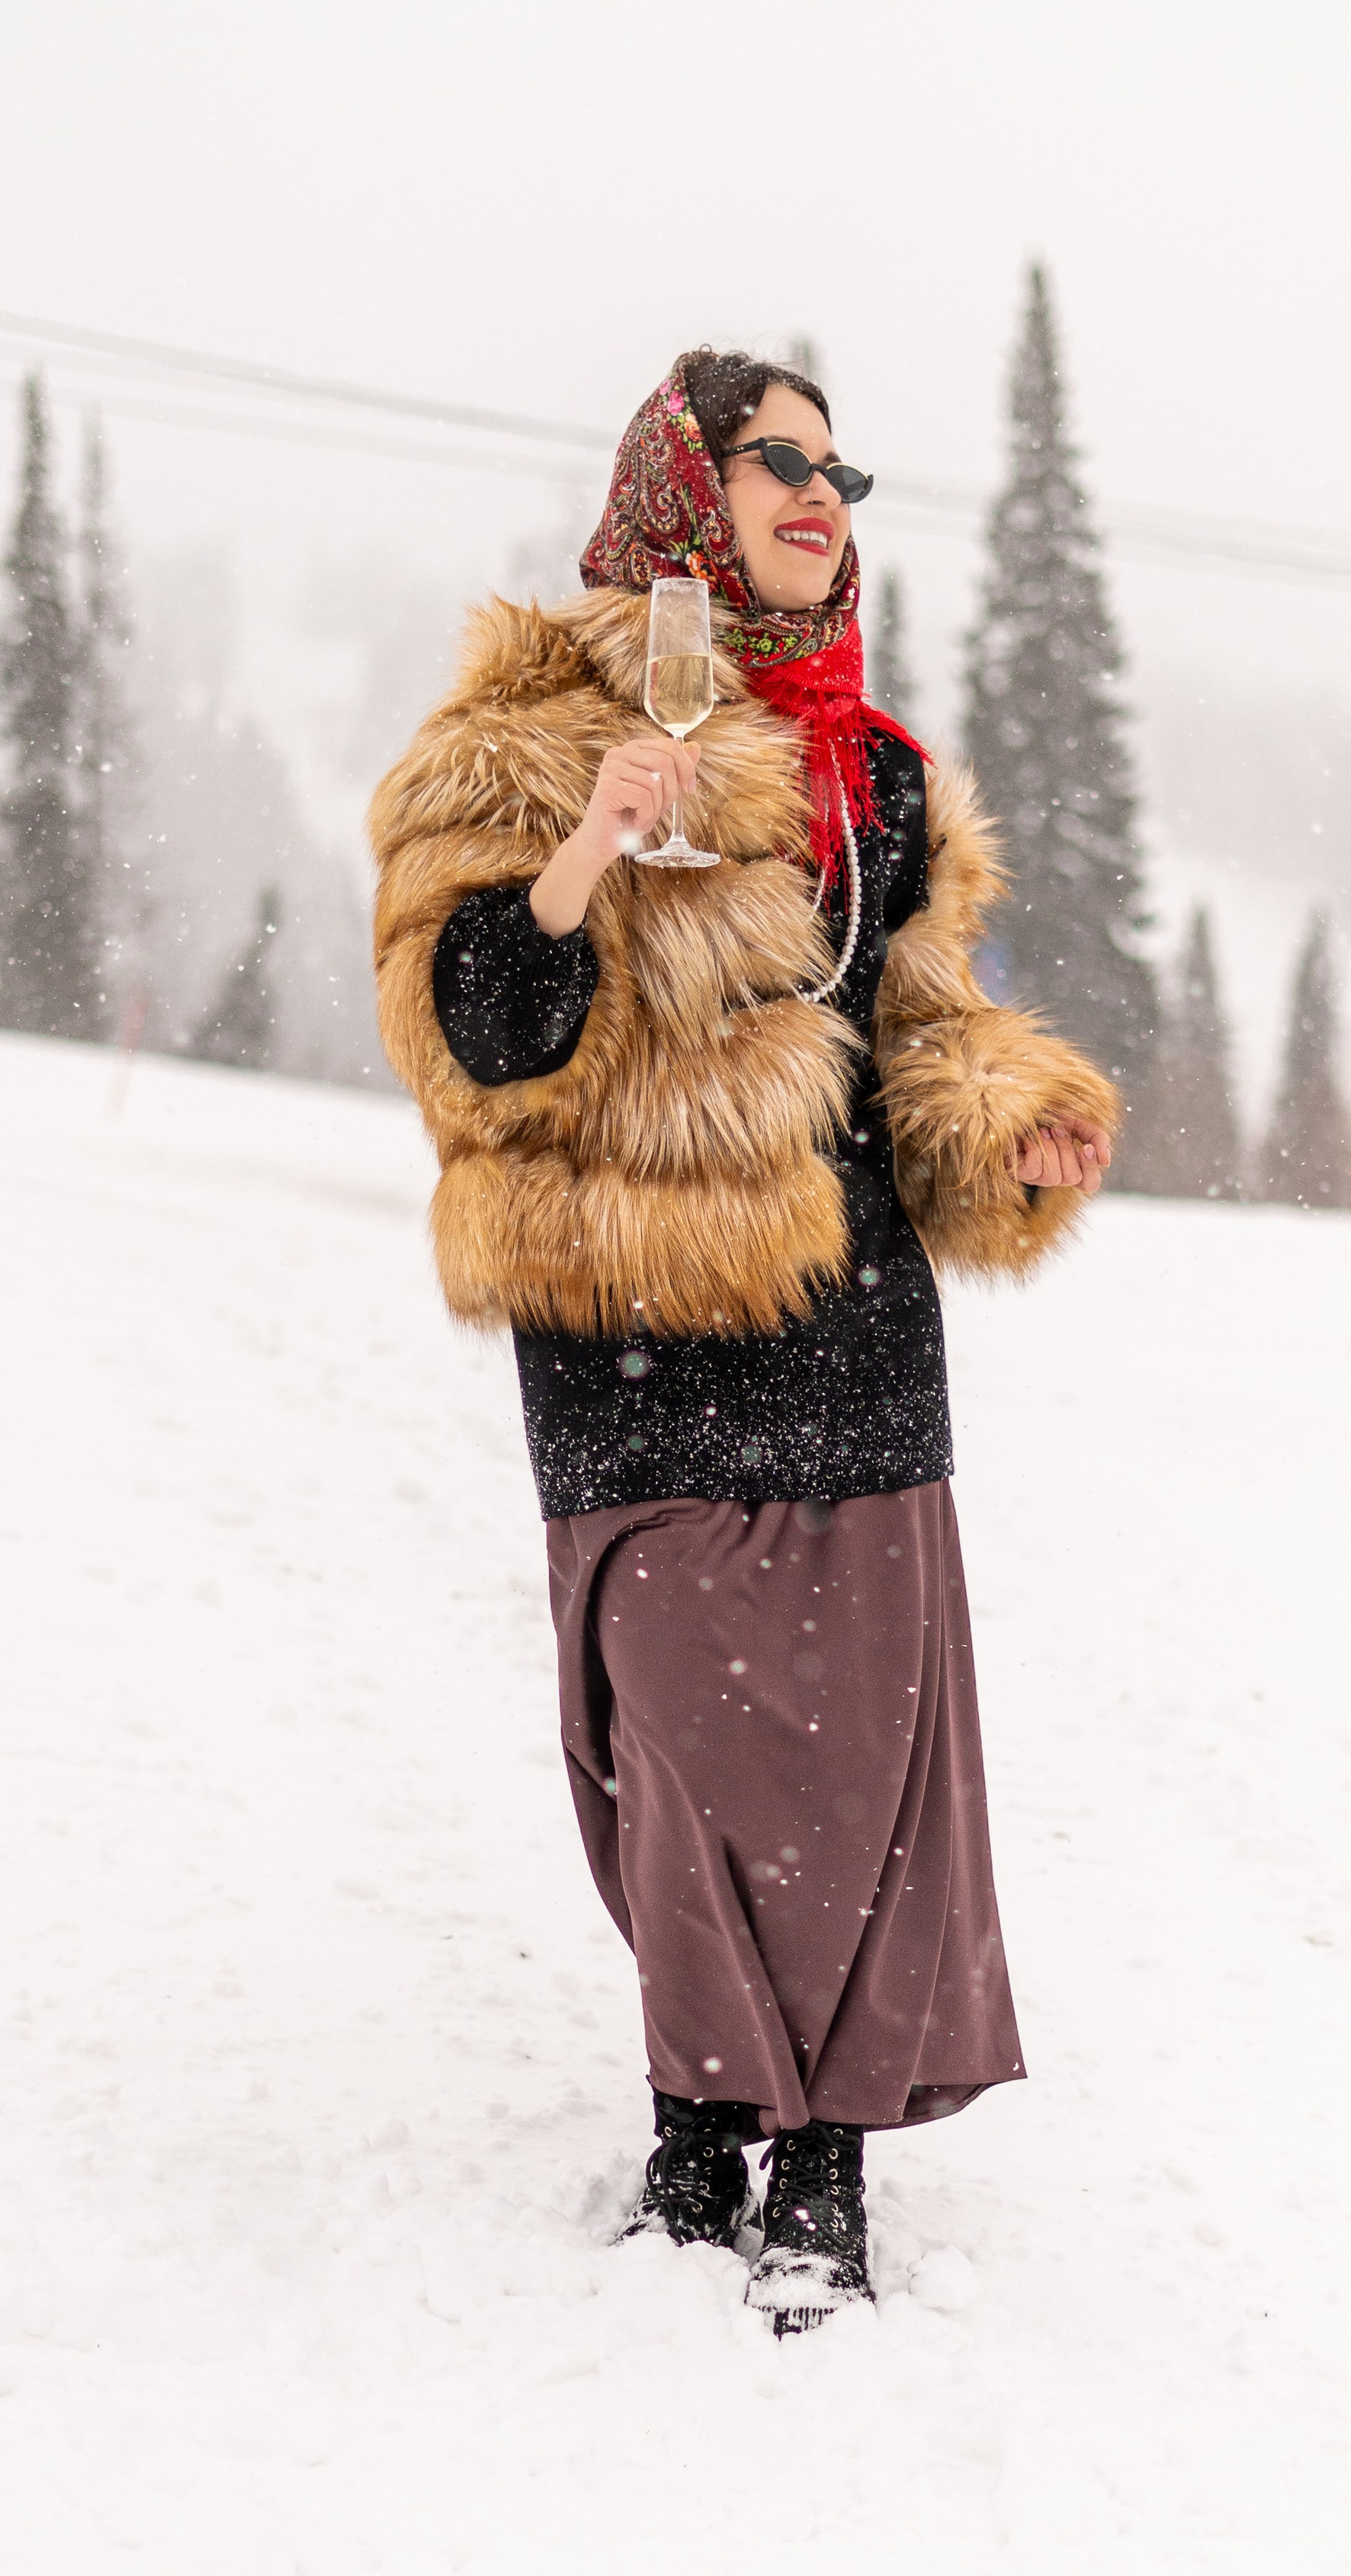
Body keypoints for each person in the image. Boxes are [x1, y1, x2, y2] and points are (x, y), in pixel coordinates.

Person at [370, 350, 1117, 2337]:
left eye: (838, 463)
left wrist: (1012, 1122)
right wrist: (590, 850)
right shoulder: (527, 730)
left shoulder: (878, 777)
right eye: (776, 457)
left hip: (854, 1330)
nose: (819, 488)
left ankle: (818, 2163)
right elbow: (476, 1033)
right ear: (680, 489)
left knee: (866, 1773)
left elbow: (922, 1045)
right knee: (684, 1755)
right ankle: (698, 2108)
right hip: (632, 1332)